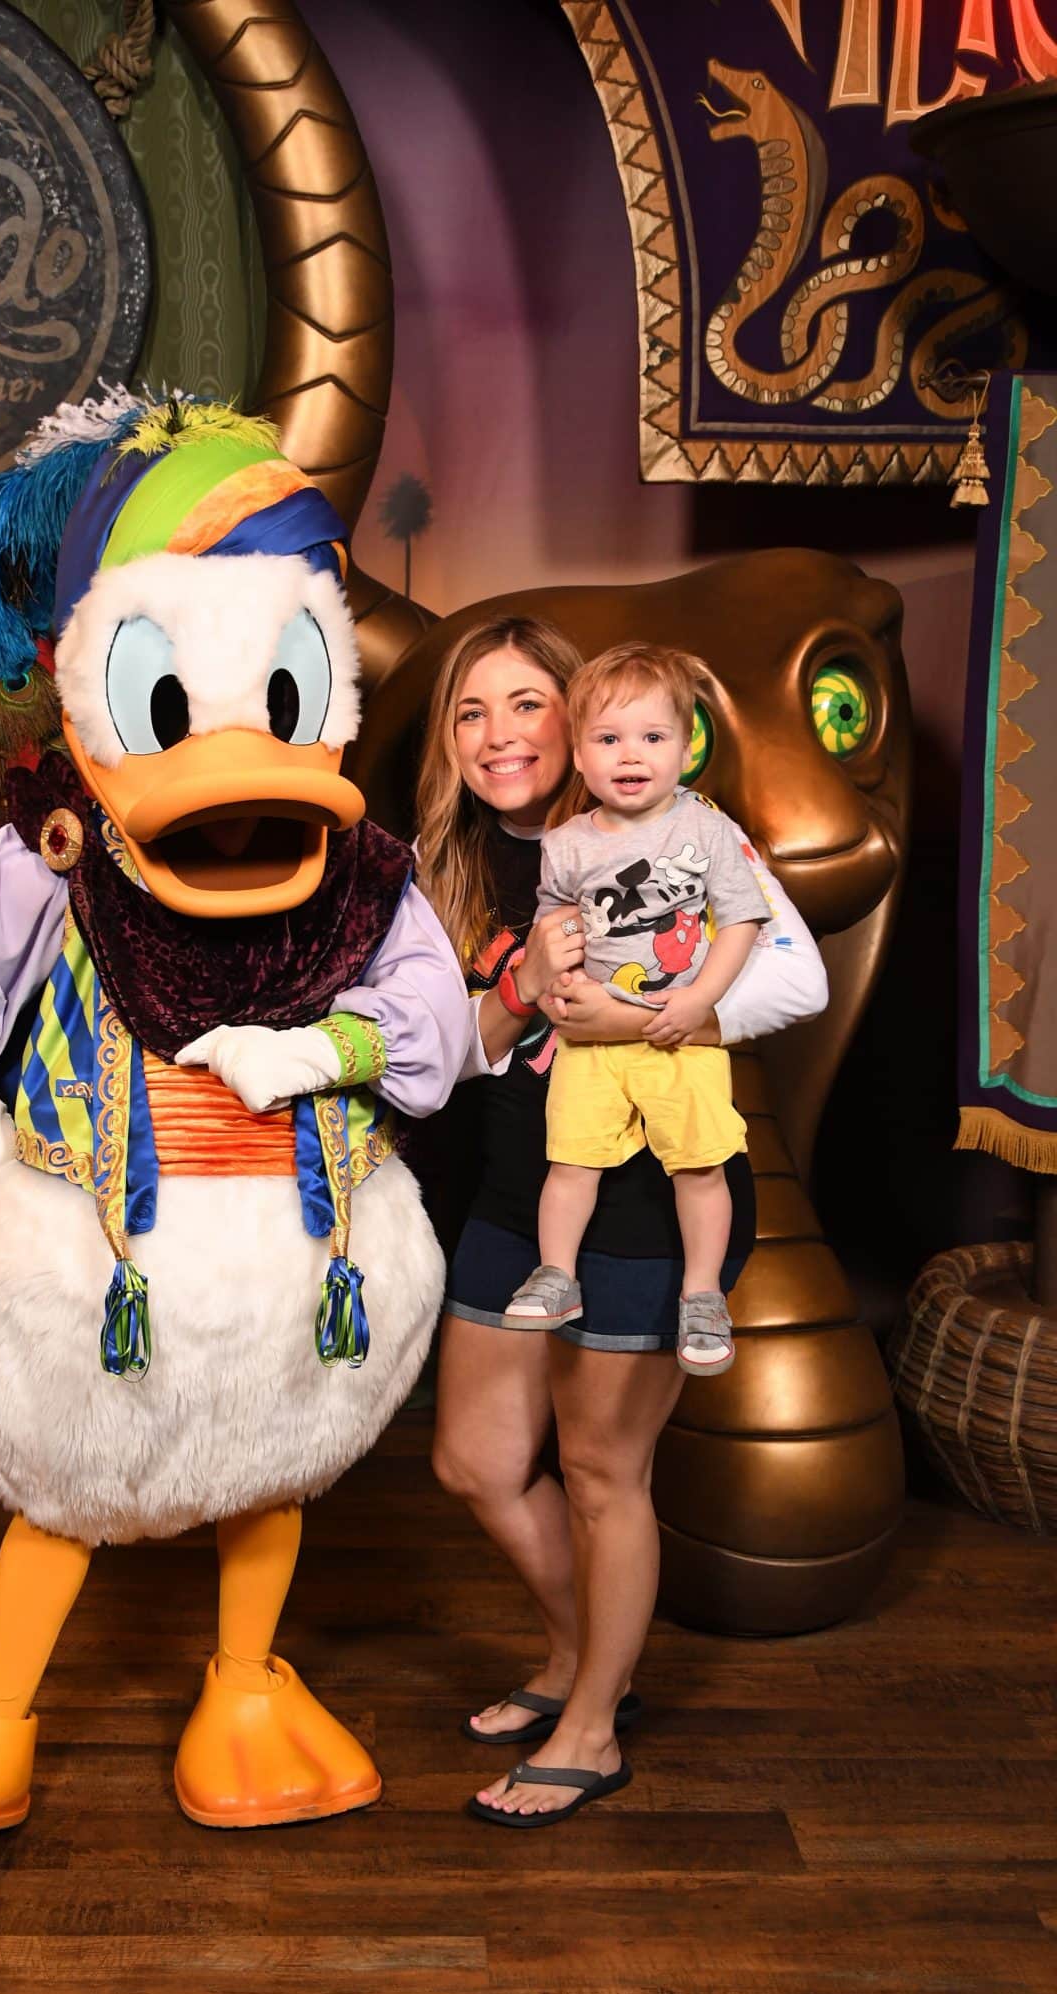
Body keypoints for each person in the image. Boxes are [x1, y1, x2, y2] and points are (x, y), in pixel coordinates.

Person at [413, 615, 828, 1825]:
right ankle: (576, 1655)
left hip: (654, 1195)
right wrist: (523, 991)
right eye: (471, 712)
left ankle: (592, 1725)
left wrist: (649, 1019)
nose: (501, 736)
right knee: (477, 1461)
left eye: (527, 705)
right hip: (520, 1187)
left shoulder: (686, 831)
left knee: (600, 1468)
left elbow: (795, 976)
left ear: (586, 718)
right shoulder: (446, 862)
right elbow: (448, 1062)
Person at [502, 642, 773, 1379]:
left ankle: (702, 1293)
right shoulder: (565, 845)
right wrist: (549, 982)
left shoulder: (707, 829)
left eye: (653, 738)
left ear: (685, 752)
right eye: (609, 739)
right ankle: (557, 1276)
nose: (631, 755)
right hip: (589, 1045)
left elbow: (743, 920)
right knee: (570, 1164)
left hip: (678, 1041)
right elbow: (552, 925)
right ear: (580, 758)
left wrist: (699, 1001)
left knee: (700, 1167)